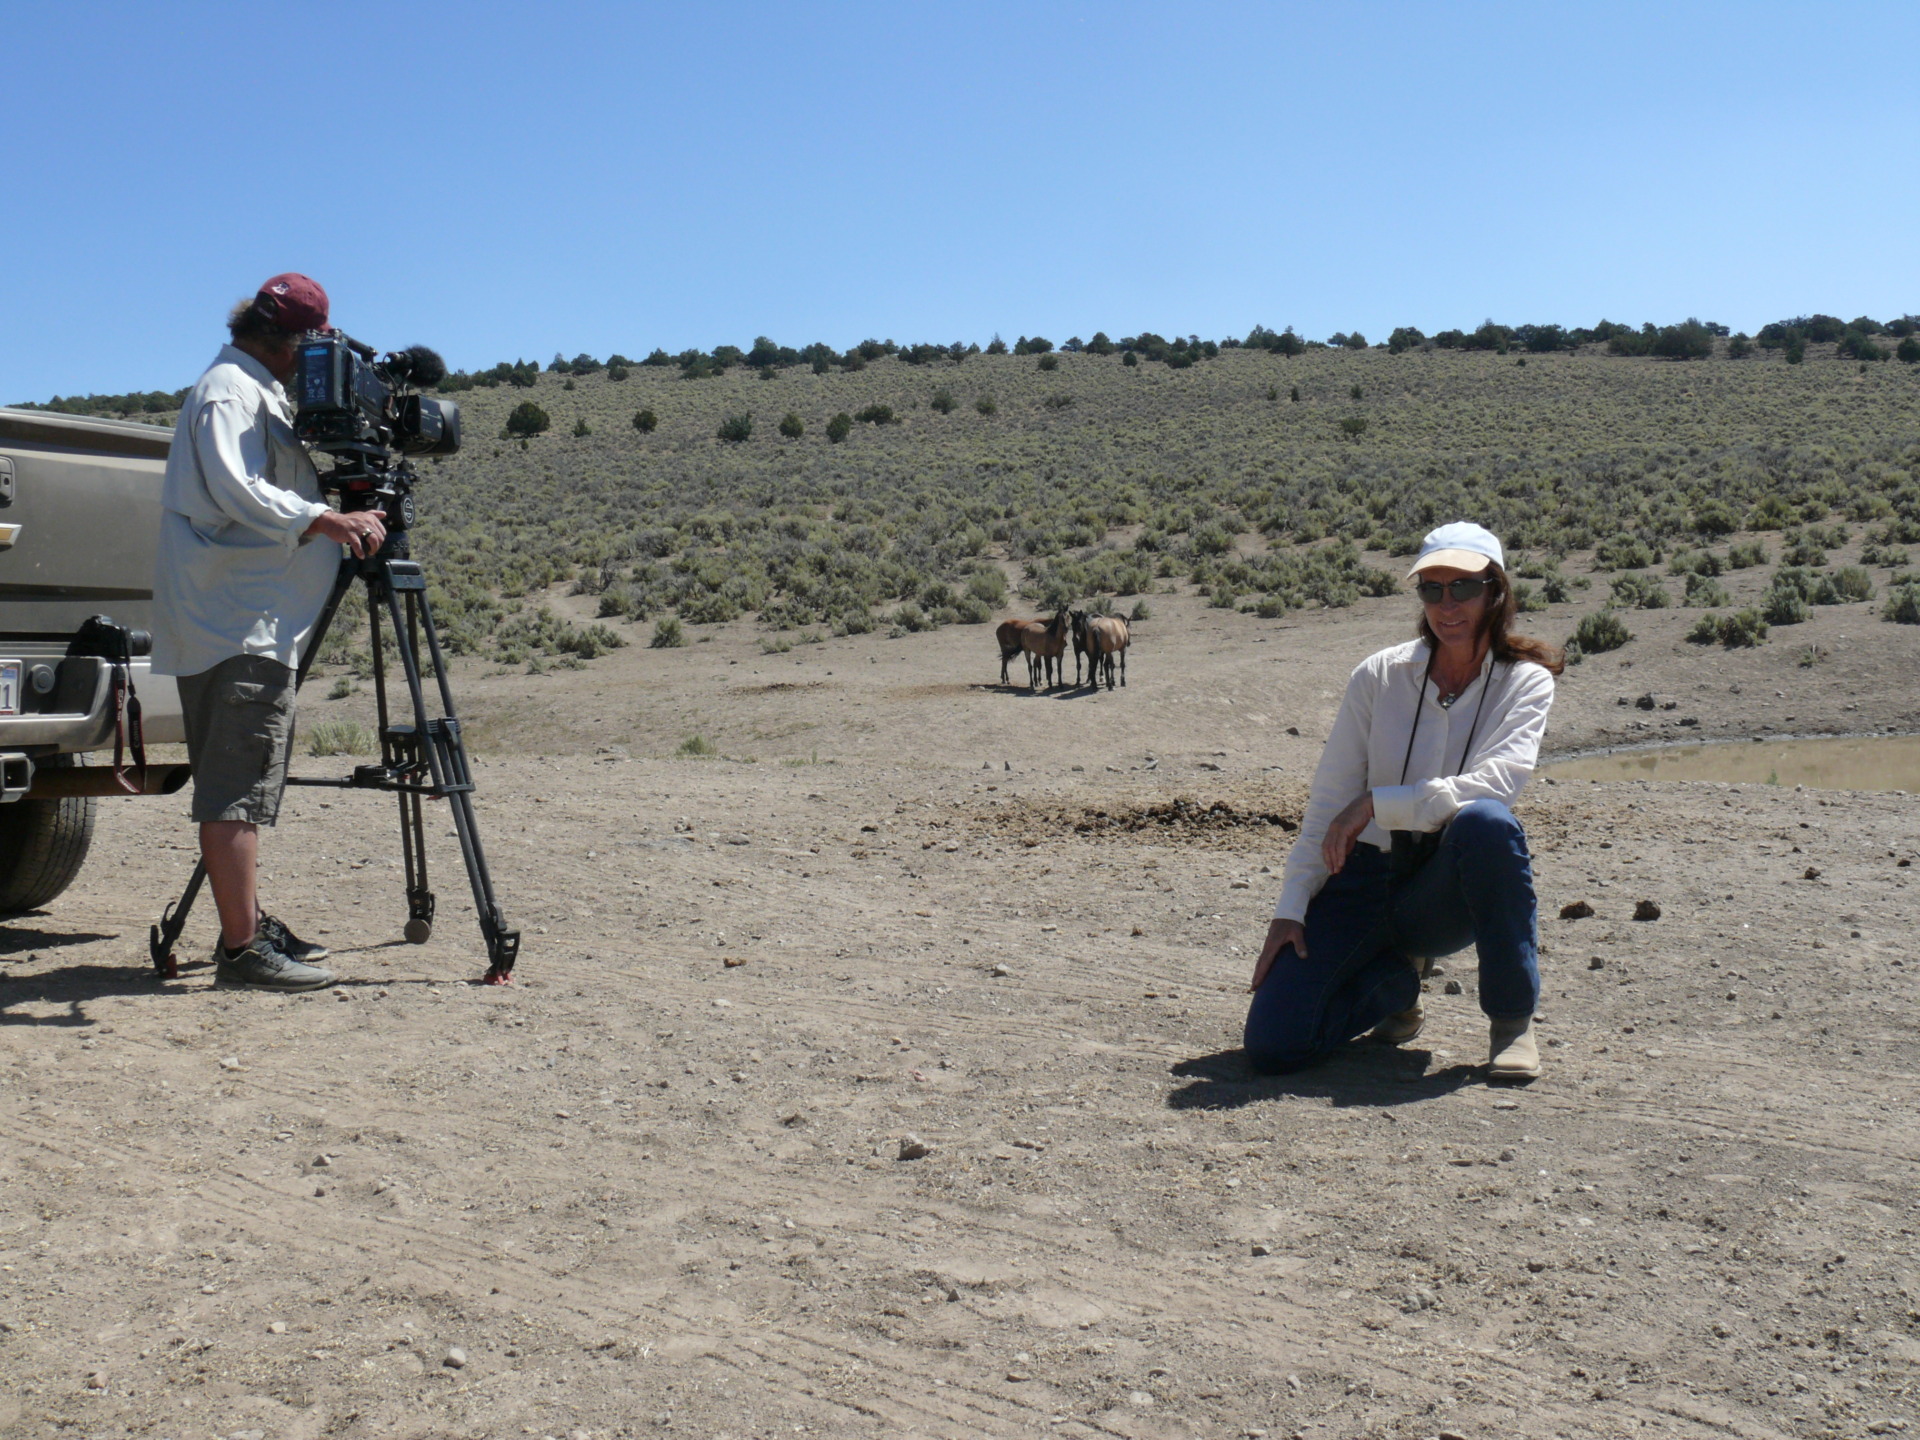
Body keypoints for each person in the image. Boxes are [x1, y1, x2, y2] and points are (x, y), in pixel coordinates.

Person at [1244, 521, 1564, 1080]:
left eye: (1463, 587)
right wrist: (1290, 908)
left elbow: (1498, 783)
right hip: (1364, 877)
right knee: (1274, 1045)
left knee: (1489, 823)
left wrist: (1378, 803)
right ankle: (1395, 984)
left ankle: (1512, 1022)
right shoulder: (1379, 675)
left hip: (1446, 886)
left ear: (1495, 591)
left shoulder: (1526, 682)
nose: (1448, 604)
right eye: (1432, 589)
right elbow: (1328, 802)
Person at [152, 274, 390, 990]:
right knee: (235, 790)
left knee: (240, 783)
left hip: (246, 617)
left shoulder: (253, 390)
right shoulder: (230, 392)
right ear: (286, 341)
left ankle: (247, 924)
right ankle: (241, 950)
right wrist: (324, 520)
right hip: (238, 624)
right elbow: (236, 487)